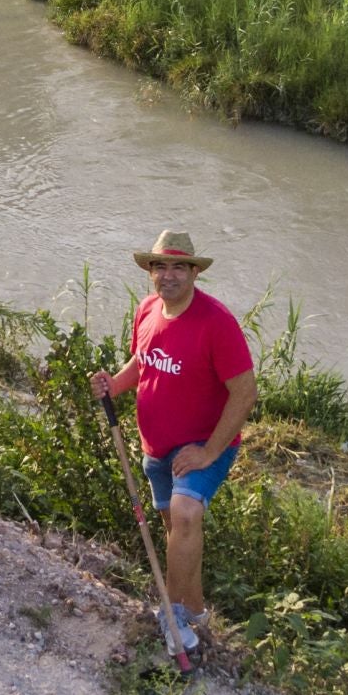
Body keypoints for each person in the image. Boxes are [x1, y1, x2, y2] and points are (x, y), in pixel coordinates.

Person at [91, 231, 257, 660]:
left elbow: (245, 392)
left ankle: (174, 613)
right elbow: (141, 364)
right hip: (155, 448)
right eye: (160, 267)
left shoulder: (216, 322)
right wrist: (114, 383)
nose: (168, 275)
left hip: (201, 446)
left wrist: (209, 452)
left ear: (195, 272)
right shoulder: (147, 310)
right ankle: (196, 610)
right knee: (178, 533)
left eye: (178, 267)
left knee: (185, 515)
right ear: (150, 273)